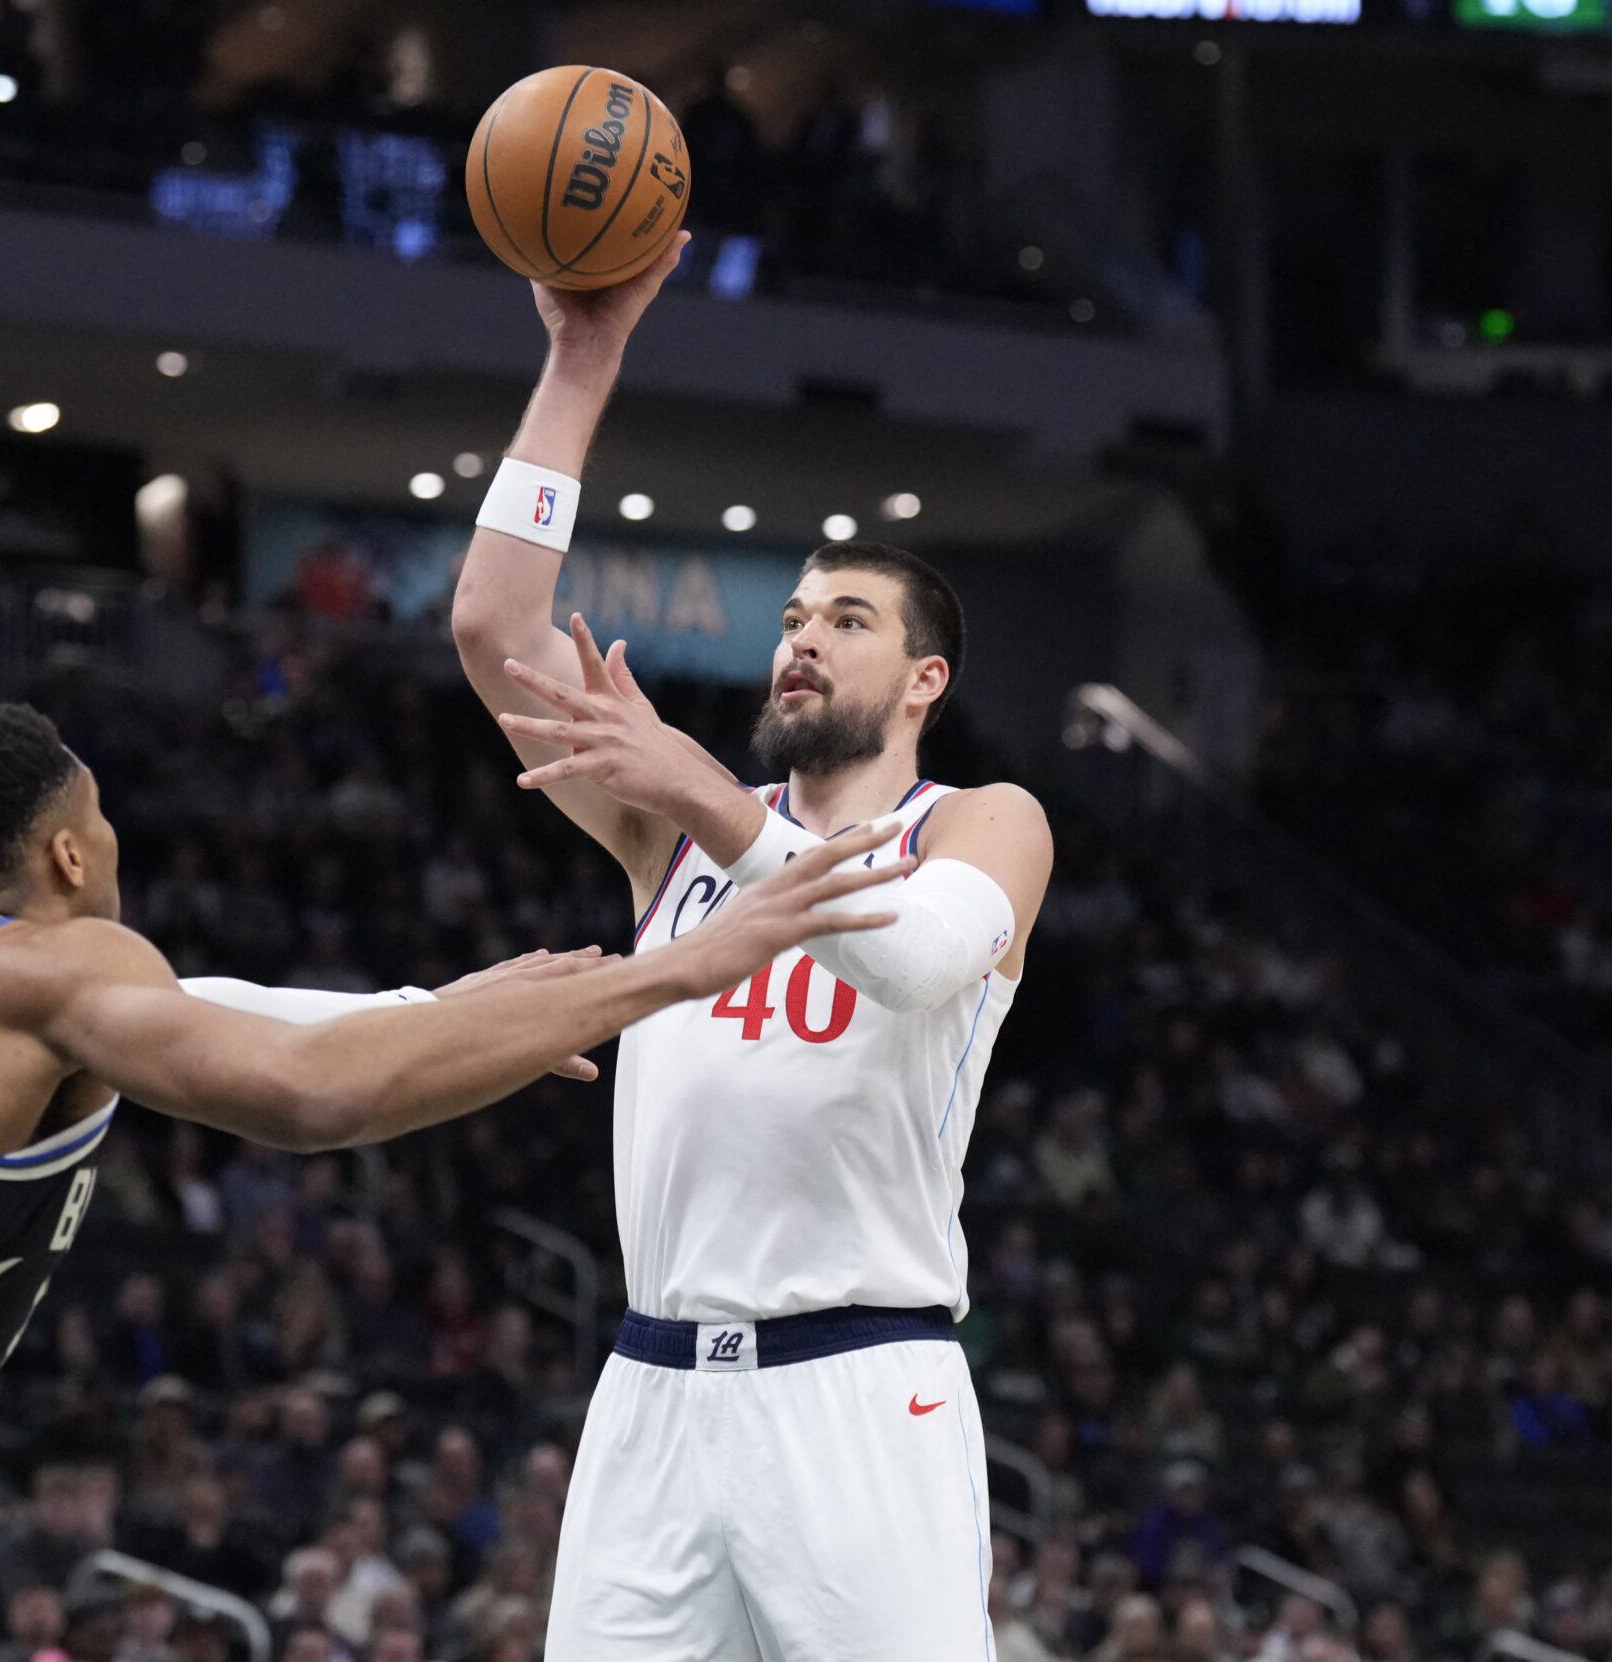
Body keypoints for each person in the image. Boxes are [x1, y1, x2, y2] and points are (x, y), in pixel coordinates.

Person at [0, 699, 906, 1659]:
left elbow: (246, 1009)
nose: (115, 846)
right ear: (62, 848)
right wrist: (684, 967)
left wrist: (447, 1000)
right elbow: (313, 1089)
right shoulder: (58, 960)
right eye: (100, 820)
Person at [450, 234, 1054, 1661]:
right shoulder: (677, 834)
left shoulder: (980, 821)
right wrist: (580, 360)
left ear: (925, 680)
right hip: (655, 1385)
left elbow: (909, 962)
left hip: (862, 1383)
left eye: (845, 620)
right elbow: (490, 626)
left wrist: (702, 798)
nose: (802, 639)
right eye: (791, 617)